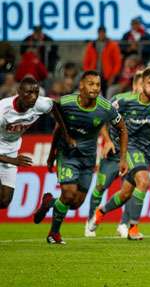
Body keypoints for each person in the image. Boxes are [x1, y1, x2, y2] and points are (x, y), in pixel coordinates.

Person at [87, 68, 150, 240]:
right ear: (141, 83)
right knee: (144, 180)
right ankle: (133, 227)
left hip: (149, 151)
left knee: (126, 193)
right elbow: (101, 118)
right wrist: (108, 140)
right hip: (129, 147)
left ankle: (101, 211)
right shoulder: (123, 101)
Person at [33, 71, 128, 245]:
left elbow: (122, 129)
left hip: (89, 158)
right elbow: (57, 128)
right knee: (68, 194)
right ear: (81, 86)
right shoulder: (65, 103)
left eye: (98, 85)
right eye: (91, 84)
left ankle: (49, 202)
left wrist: (123, 158)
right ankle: (54, 233)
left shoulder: (105, 107)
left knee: (76, 203)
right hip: (68, 154)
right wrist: (52, 154)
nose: (95, 88)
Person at [84, 70, 143, 238]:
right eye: (141, 85)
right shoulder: (119, 100)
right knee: (100, 187)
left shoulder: (149, 105)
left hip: (132, 154)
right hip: (113, 153)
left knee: (130, 189)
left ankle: (124, 224)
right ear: (134, 85)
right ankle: (90, 221)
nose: (143, 89)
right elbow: (101, 119)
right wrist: (108, 141)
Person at [0, 77, 71, 210]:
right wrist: (13, 160)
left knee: (4, 201)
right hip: (8, 156)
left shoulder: (40, 104)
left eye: (36, 93)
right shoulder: (3, 110)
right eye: (29, 93)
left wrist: (66, 135)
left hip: (11, 150)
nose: (33, 97)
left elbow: (55, 108)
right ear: (19, 92)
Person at [83, 26, 123, 94]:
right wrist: (88, 74)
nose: (101, 34)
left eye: (103, 33)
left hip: (107, 75)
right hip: (94, 74)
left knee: (106, 93)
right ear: (98, 33)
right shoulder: (91, 45)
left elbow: (117, 62)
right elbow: (86, 62)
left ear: (105, 33)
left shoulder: (112, 45)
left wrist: (113, 75)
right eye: (100, 33)